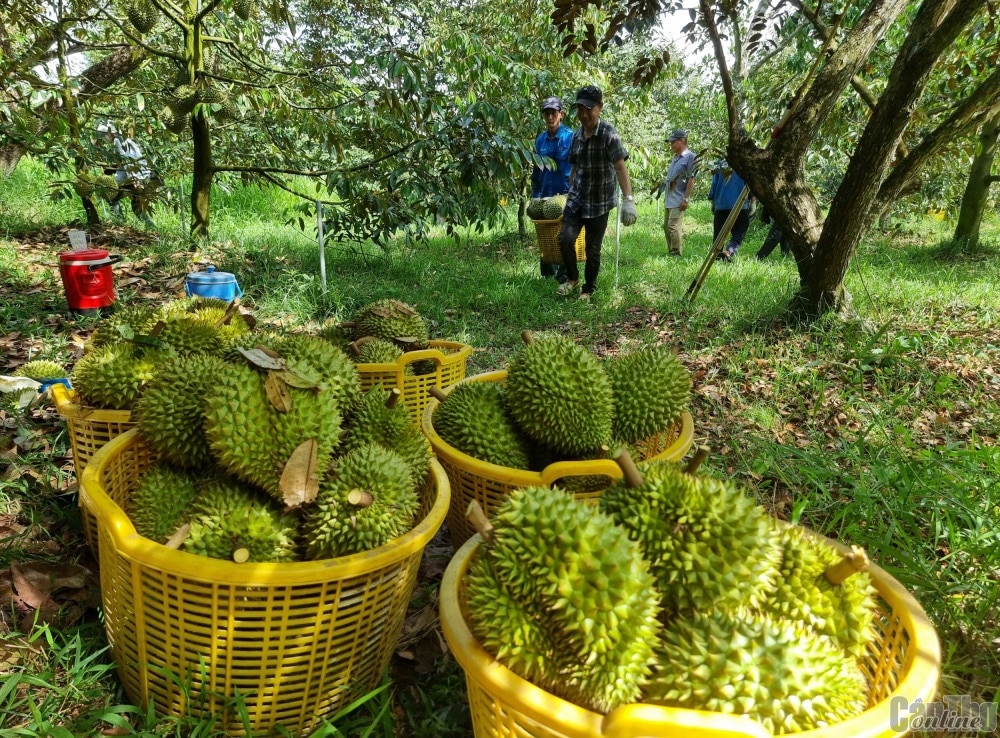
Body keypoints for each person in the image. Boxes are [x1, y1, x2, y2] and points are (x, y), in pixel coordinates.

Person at [555, 85, 637, 303]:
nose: (584, 115)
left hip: (599, 202)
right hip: (577, 198)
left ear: (600, 107)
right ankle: (572, 278)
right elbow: (575, 168)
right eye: (580, 109)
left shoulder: (609, 135)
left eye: (588, 109)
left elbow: (620, 168)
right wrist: (569, 191)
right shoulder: (576, 136)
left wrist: (629, 200)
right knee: (565, 239)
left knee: (592, 249)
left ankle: (587, 289)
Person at [531, 96, 573, 282]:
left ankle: (563, 275)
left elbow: (576, 167)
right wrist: (535, 195)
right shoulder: (540, 141)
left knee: (563, 236)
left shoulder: (570, 137)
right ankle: (547, 274)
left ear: (561, 114)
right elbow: (536, 170)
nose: (550, 117)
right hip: (545, 194)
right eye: (546, 113)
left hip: (565, 195)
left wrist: (572, 194)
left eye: (553, 113)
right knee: (545, 235)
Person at [99, 122, 156, 227]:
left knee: (112, 198)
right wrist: (109, 169)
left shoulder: (117, 141)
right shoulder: (127, 139)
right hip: (141, 176)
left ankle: (120, 223)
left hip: (134, 178)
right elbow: (122, 162)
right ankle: (152, 228)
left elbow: (127, 162)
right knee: (137, 206)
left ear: (110, 133)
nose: (104, 139)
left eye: (104, 135)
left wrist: (135, 180)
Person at [707, 158, 753, 262]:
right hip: (739, 203)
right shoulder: (744, 162)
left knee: (719, 233)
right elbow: (751, 182)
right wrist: (753, 200)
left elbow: (714, 184)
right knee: (741, 229)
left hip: (721, 203)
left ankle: (717, 255)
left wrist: (713, 201)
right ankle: (729, 251)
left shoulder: (719, 162)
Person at [660, 129, 697, 256]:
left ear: (681, 141)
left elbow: (692, 179)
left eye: (673, 142)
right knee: (667, 227)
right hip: (670, 198)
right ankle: (671, 251)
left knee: (673, 226)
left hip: (679, 199)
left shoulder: (690, 157)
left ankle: (676, 253)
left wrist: (686, 199)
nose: (671, 145)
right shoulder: (675, 158)